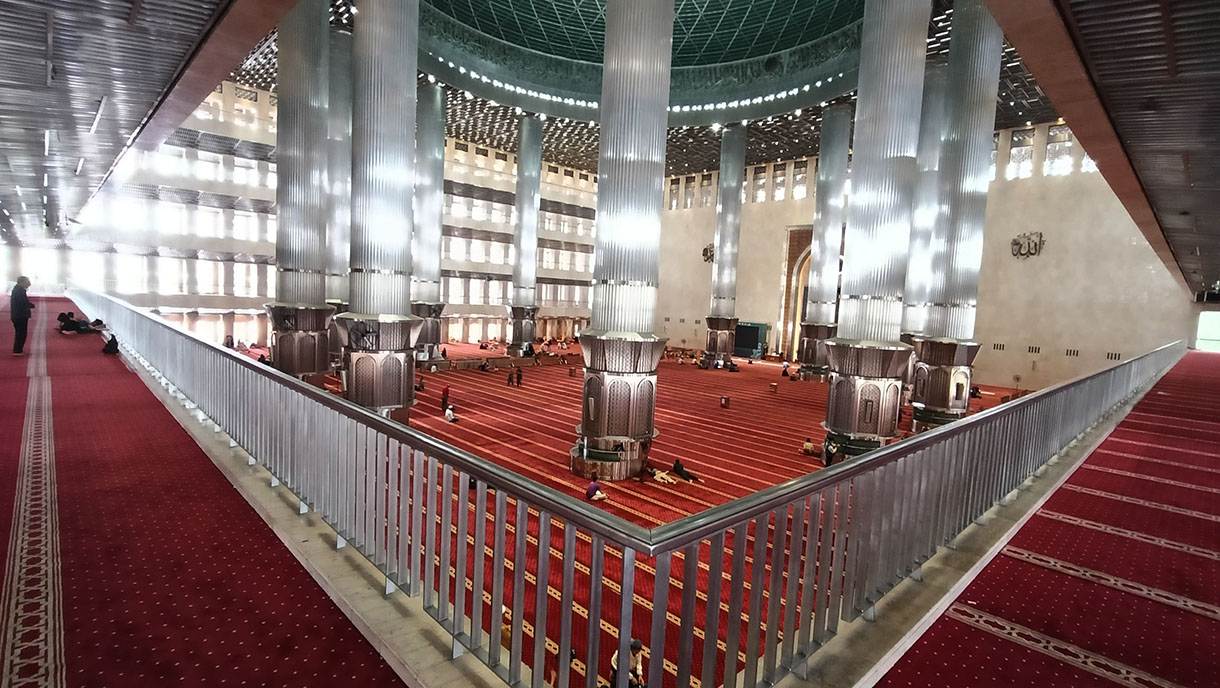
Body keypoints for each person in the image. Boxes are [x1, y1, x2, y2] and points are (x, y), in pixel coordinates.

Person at [10, 277, 34, 356]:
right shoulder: (19, 291)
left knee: (20, 333)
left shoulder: (18, 289)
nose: (29, 284)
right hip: (20, 315)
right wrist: (30, 305)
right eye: (28, 282)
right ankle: (17, 350)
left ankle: (18, 349)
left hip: (17, 315)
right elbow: (22, 303)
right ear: (22, 282)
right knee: (21, 333)